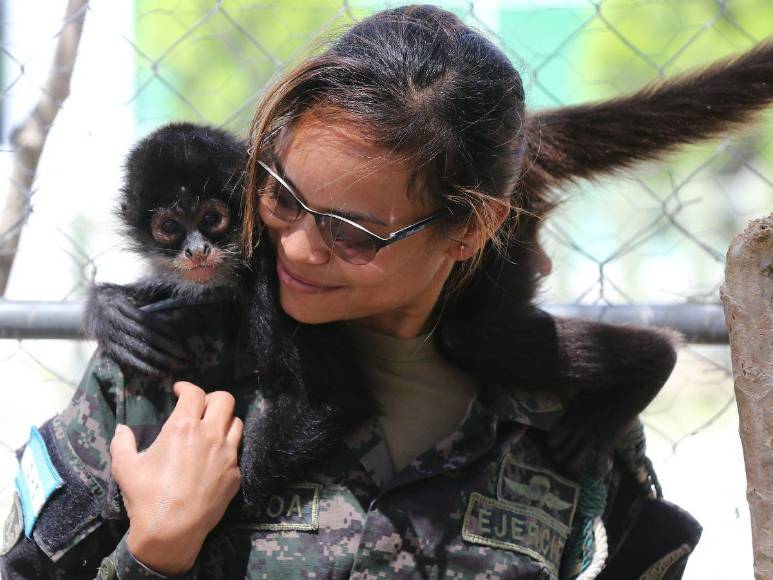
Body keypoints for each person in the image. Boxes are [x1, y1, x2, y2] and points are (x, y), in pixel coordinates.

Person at [10, 3, 773, 578]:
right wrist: (156, 550)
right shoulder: (162, 370)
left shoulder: (551, 403)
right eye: (278, 195)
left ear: (470, 231)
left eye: (354, 232)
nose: (298, 247)